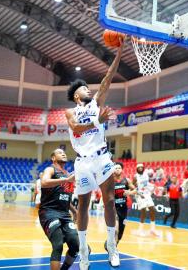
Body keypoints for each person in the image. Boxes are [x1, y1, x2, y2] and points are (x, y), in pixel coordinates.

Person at [65, 36, 125, 268]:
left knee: (109, 201)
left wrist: (119, 54)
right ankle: (83, 250)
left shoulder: (95, 103)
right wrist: (96, 122)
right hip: (82, 163)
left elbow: (107, 79)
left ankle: (112, 245)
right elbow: (76, 128)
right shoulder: (70, 112)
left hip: (101, 158)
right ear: (77, 96)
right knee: (83, 206)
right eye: (83, 88)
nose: (88, 89)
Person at [39, 149, 79, 270]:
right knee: (58, 244)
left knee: (75, 244)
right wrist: (66, 180)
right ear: (53, 158)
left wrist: (74, 210)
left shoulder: (68, 174)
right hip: (49, 212)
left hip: (64, 214)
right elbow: (44, 182)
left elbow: (64, 195)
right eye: (60, 152)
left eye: (64, 153)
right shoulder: (50, 169)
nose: (63, 154)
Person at [110, 162, 136, 246]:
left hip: (123, 208)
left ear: (122, 170)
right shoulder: (110, 181)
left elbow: (135, 190)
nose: (117, 169)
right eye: (116, 168)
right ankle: (113, 249)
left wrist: (129, 192)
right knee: (116, 229)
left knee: (120, 232)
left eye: (119, 168)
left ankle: (114, 245)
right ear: (113, 170)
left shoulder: (126, 180)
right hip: (113, 208)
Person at [133, 163, 159, 236]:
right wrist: (137, 193)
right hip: (140, 195)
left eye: (142, 167)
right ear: (137, 169)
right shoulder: (135, 177)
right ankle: (140, 230)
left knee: (153, 209)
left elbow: (147, 183)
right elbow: (132, 186)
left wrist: (152, 187)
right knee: (143, 211)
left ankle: (152, 230)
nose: (140, 168)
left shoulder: (146, 175)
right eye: (139, 167)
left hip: (147, 193)